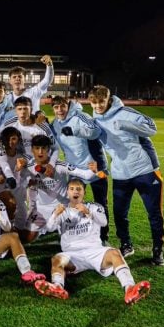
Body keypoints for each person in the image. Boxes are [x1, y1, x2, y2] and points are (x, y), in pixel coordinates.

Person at [34, 179, 151, 305]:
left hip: (95, 251)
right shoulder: (61, 210)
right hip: (73, 255)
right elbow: (49, 228)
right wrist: (55, 214)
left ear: (84, 192)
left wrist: (88, 212)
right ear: (67, 192)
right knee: (57, 259)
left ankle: (130, 288)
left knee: (115, 253)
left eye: (79, 189)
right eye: (72, 189)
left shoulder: (94, 207)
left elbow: (104, 222)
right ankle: (57, 287)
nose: (75, 192)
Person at [88, 85, 164, 266]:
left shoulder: (125, 112)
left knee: (154, 213)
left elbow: (152, 128)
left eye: (101, 102)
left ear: (108, 99)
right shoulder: (95, 120)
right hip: (121, 173)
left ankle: (158, 249)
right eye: (94, 102)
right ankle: (126, 244)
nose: (98, 106)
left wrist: (126, 124)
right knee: (119, 213)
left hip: (145, 170)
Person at [16, 135, 103, 243]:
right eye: (37, 148)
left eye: (43, 148)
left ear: (48, 149)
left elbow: (85, 175)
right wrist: (21, 175)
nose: (40, 152)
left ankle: (64, 226)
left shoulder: (59, 166)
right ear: (32, 149)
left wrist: (93, 170)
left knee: (74, 239)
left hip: (62, 207)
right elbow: (19, 184)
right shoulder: (29, 166)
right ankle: (46, 228)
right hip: (41, 208)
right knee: (26, 238)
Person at [50, 95, 110, 244]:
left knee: (100, 203)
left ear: (68, 105)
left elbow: (96, 130)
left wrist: (75, 130)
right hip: (75, 170)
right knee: (72, 203)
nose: (60, 110)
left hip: (94, 167)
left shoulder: (81, 116)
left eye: (62, 106)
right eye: (56, 107)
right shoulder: (55, 124)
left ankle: (103, 236)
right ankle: (74, 233)